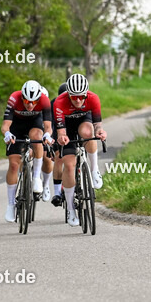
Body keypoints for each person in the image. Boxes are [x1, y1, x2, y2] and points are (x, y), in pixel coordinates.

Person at [51, 73, 106, 226]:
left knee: (89, 133)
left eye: (81, 97)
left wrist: (100, 132)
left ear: (86, 94)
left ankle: (94, 170)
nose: (78, 100)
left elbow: (98, 125)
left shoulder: (93, 98)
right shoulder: (59, 102)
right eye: (74, 97)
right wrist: (62, 138)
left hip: (83, 120)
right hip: (66, 127)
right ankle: (70, 209)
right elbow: (61, 131)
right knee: (69, 166)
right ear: (68, 95)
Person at [1, 79, 54, 222]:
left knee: (37, 137)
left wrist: (47, 135)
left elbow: (48, 126)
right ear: (22, 97)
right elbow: (5, 125)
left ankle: (36, 177)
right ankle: (11, 205)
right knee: (13, 164)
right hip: (16, 126)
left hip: (34, 124)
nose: (30, 105)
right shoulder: (14, 98)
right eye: (27, 101)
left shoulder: (44, 100)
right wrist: (7, 134)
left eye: (34, 102)